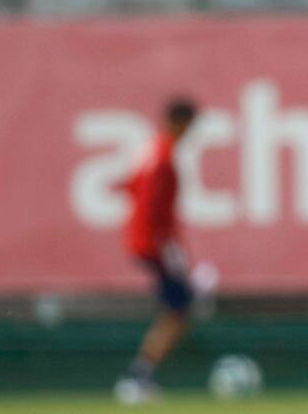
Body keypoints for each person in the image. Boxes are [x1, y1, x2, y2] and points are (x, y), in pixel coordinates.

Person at [114, 97, 198, 404]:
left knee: (175, 308)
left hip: (145, 241)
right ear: (181, 122)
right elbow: (152, 207)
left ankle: (140, 375)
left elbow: (131, 188)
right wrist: (171, 249)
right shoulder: (162, 158)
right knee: (178, 309)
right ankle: (138, 377)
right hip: (153, 244)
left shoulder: (151, 150)